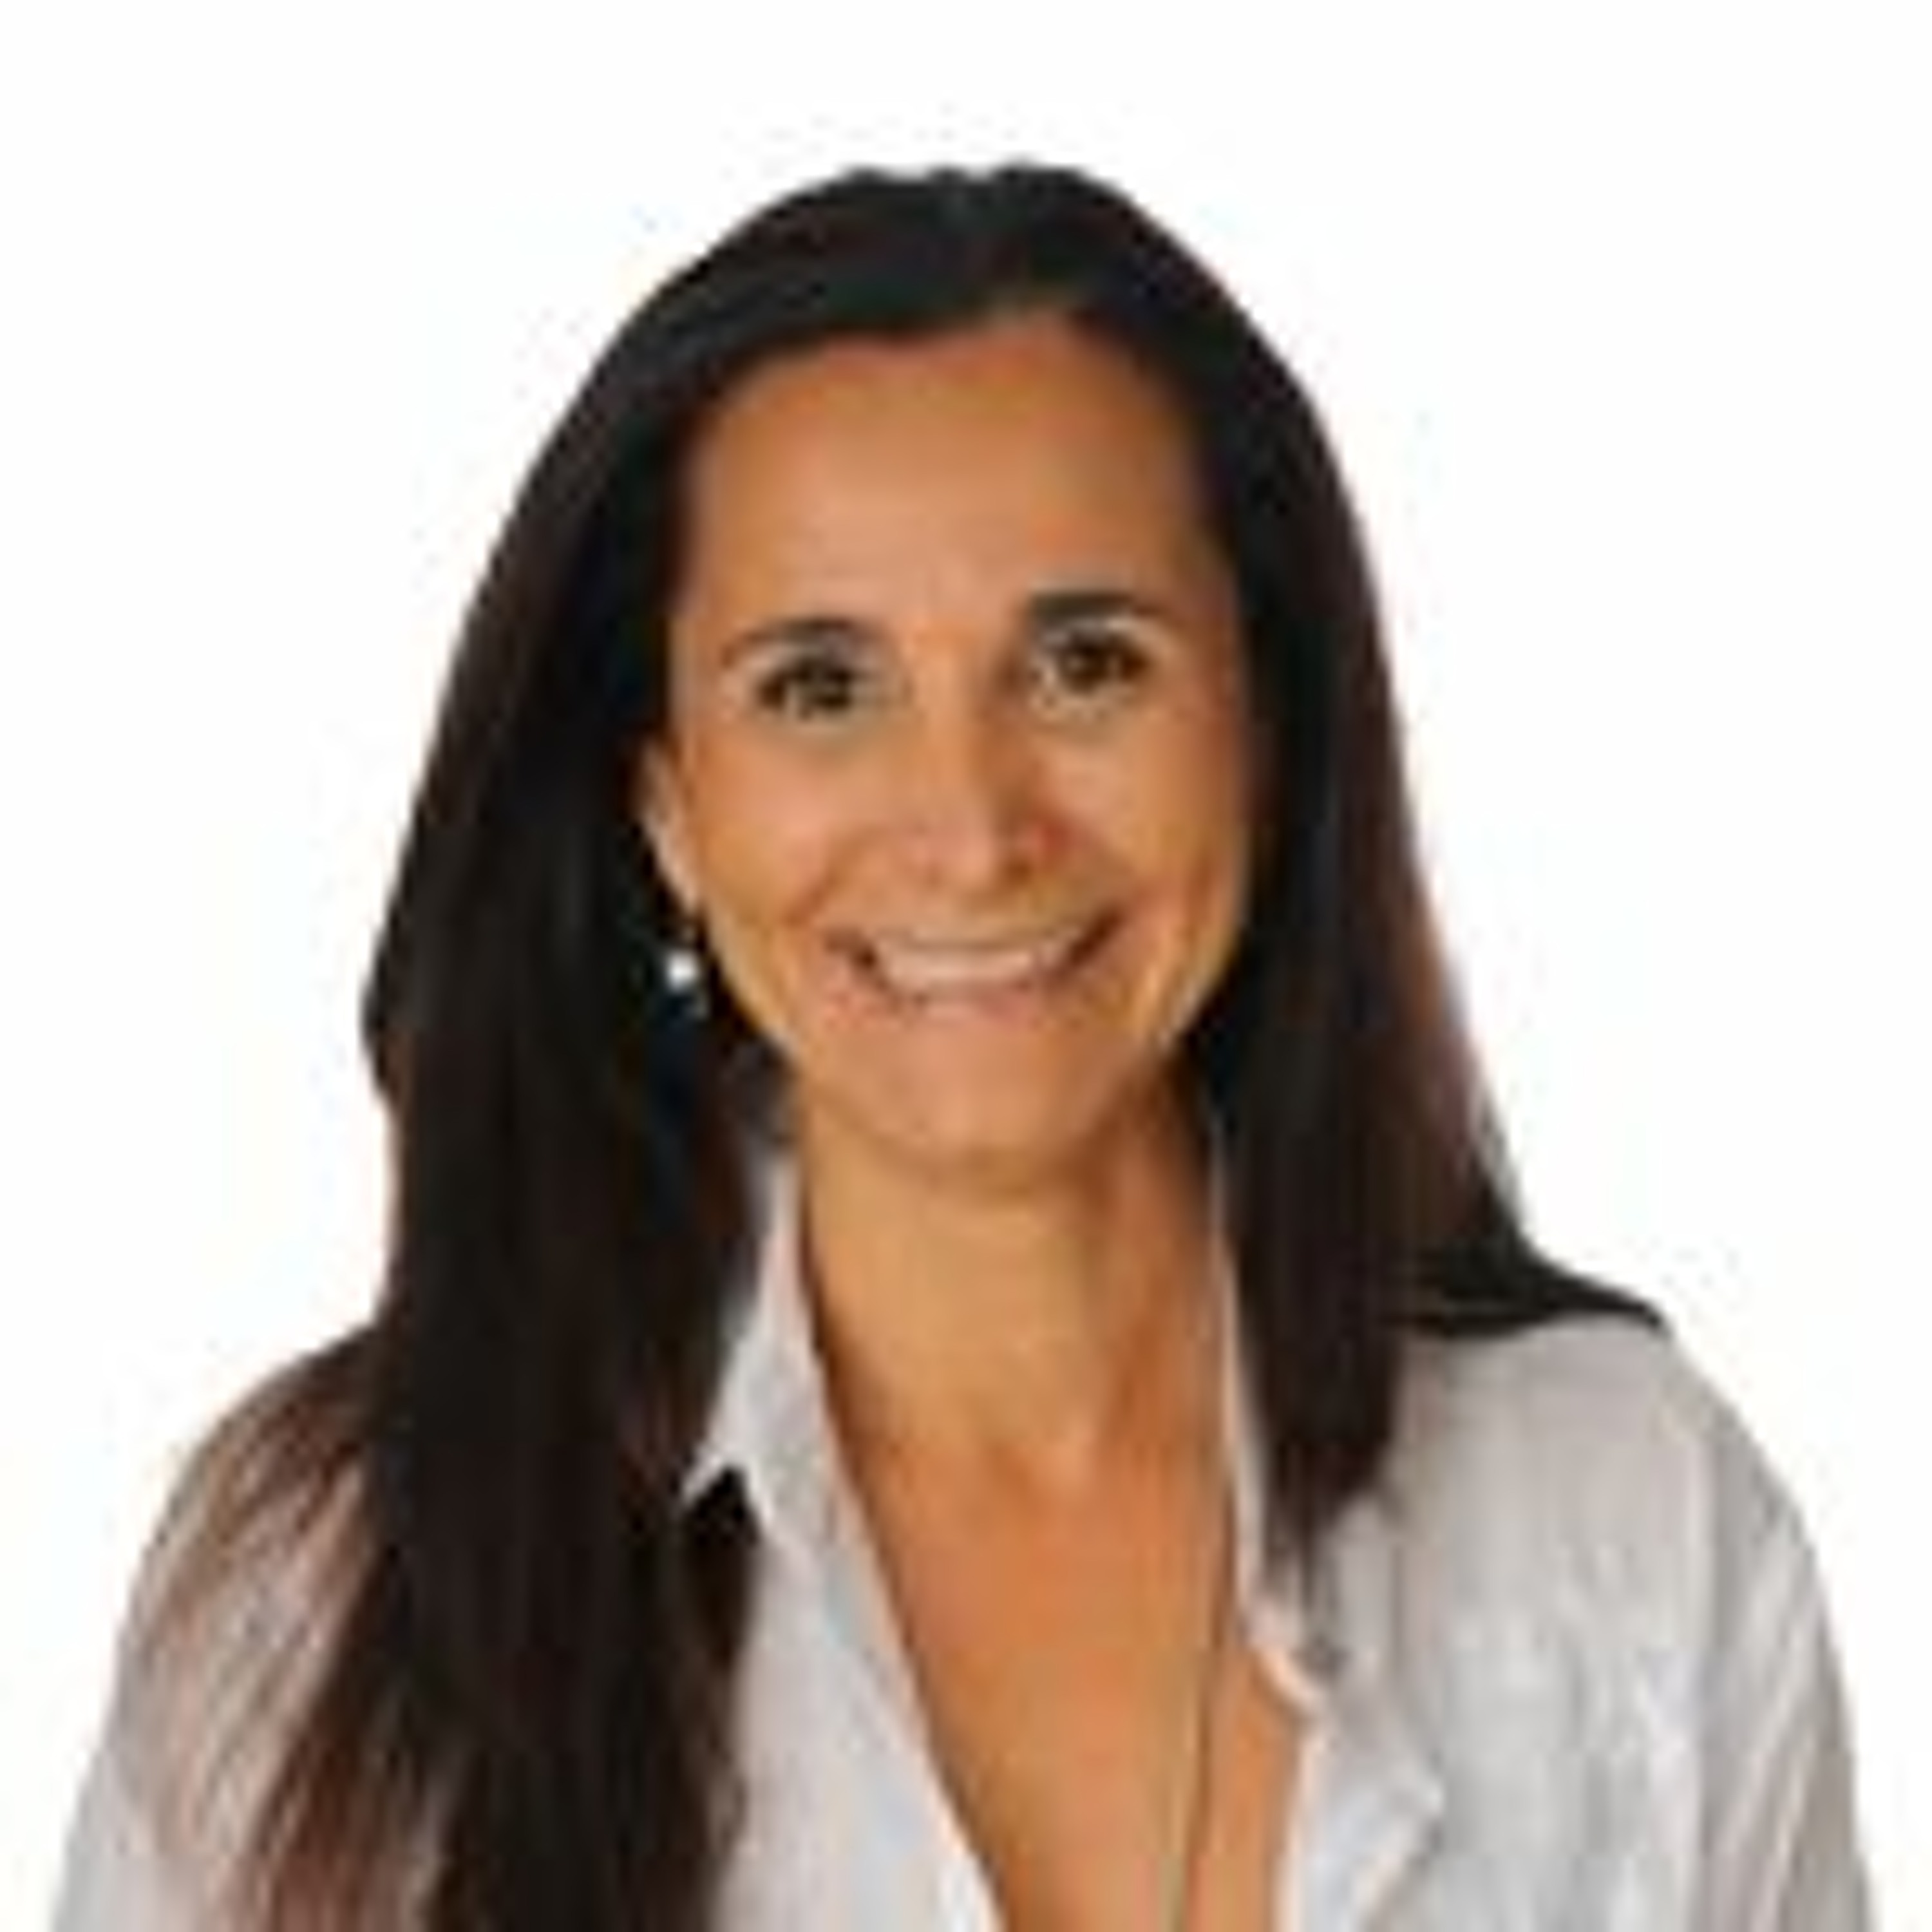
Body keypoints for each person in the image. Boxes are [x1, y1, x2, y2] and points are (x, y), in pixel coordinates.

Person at [56, 163, 1870, 1930]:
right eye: (819, 689)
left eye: (1086, 664)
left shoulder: (1634, 1522)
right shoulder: (319, 1592)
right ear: (668, 805)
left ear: (1265, 729)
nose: (974, 831)